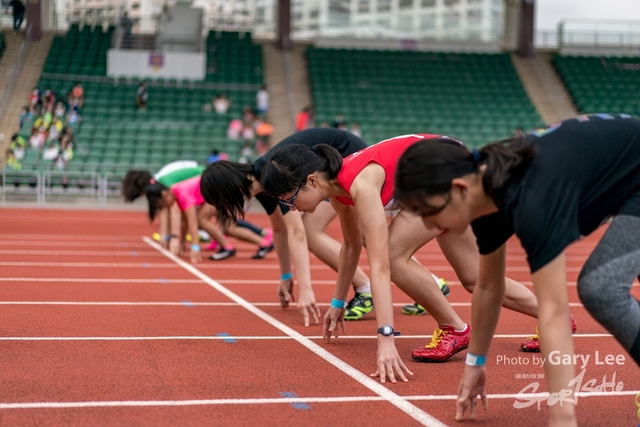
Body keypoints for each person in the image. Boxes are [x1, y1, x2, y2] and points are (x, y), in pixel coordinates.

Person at [393, 114, 640, 426]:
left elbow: (553, 313)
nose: (428, 225)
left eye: (429, 212)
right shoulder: (486, 193)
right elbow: (487, 286)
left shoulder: (534, 199)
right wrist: (475, 362)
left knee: (600, 287)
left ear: (458, 188)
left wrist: (562, 417)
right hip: (626, 178)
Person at [259, 134, 566, 382]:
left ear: (311, 181)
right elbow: (351, 245)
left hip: (446, 174)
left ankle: (454, 329)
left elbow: (379, 266)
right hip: (442, 170)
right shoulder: (337, 188)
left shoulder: (360, 184)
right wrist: (338, 302)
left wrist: (386, 338)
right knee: (473, 278)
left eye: (290, 199)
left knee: (391, 256)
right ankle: (555, 318)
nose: (292, 208)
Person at [200, 128, 374, 325]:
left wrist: (306, 290)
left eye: (222, 203)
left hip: (344, 155)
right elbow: (280, 230)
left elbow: (296, 232)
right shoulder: (259, 181)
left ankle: (366, 290)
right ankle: (406, 286)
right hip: (335, 161)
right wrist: (285, 276)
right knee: (366, 234)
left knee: (313, 231)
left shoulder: (270, 175)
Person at [123, 162, 273, 260]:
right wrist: (182, 243)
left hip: (216, 187)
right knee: (227, 226)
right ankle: (263, 242)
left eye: (163, 204)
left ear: (165, 194)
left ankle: (229, 246)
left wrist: (194, 247)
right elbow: (185, 224)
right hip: (213, 190)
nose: (166, 208)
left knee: (202, 220)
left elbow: (192, 221)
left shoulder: (180, 194)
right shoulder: (173, 191)